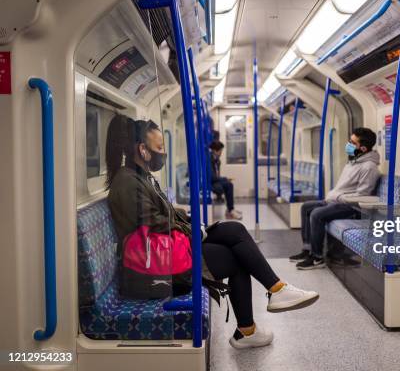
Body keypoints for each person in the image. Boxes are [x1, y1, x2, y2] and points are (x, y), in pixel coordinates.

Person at [105, 115, 319, 349]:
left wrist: (191, 225)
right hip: (151, 270)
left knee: (235, 231)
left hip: (163, 253)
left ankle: (274, 294)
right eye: (160, 148)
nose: (163, 153)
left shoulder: (141, 176)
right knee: (235, 256)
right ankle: (254, 321)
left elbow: (160, 218)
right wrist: (191, 230)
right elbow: (152, 226)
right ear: (142, 149)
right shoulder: (127, 182)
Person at [289, 127, 381, 269]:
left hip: (351, 207)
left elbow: (363, 195)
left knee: (317, 214)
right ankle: (307, 250)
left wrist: (337, 197)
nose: (348, 144)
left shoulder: (369, 167)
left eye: (352, 142)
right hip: (337, 201)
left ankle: (317, 257)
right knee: (306, 207)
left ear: (362, 148)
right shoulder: (353, 162)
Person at [209, 140, 242, 219]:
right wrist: (224, 179)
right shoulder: (209, 160)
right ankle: (230, 210)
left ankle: (230, 209)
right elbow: (212, 177)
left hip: (213, 181)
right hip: (209, 183)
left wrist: (224, 179)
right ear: (215, 150)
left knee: (228, 183)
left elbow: (216, 176)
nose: (221, 153)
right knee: (228, 184)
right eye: (220, 151)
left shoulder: (217, 160)